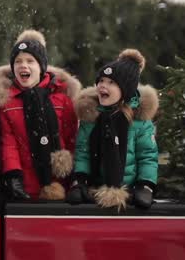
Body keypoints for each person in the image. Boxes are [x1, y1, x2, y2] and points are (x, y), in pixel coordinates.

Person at [0, 30, 80, 201]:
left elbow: (72, 139)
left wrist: (76, 178)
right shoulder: (7, 104)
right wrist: (13, 175)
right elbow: (9, 144)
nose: (23, 65)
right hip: (26, 190)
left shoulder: (62, 100)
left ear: (42, 67)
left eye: (30, 61)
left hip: (62, 187)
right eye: (18, 61)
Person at [66, 49, 159, 211]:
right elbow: (83, 153)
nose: (103, 85)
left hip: (129, 191)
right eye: (101, 80)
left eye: (111, 82)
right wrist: (80, 180)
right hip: (95, 190)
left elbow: (147, 156)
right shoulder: (91, 118)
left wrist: (145, 185)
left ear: (125, 90)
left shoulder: (140, 122)